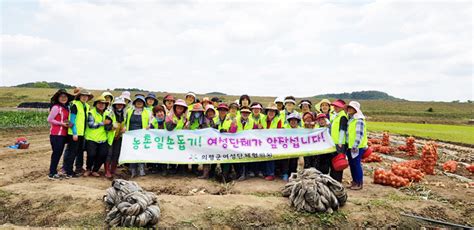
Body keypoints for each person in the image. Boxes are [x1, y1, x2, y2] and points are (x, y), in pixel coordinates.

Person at [63, 88, 93, 177]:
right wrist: (75, 133)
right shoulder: (75, 105)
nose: (84, 97)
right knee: (72, 152)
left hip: (82, 133)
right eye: (82, 96)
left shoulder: (86, 106)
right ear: (79, 96)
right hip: (74, 133)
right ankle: (69, 171)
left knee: (80, 152)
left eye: (86, 96)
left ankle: (78, 169)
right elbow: (71, 121)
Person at [47, 89, 74, 180]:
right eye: (61, 96)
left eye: (65, 97)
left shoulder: (66, 108)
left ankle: (54, 171)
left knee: (59, 153)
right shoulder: (56, 107)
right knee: (56, 153)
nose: (63, 98)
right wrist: (62, 124)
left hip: (63, 134)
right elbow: (50, 119)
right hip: (56, 134)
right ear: (58, 98)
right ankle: (52, 173)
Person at [84, 96, 113, 177]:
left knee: (102, 155)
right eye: (99, 103)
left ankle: (95, 170)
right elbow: (91, 125)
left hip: (103, 138)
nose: (101, 105)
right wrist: (103, 123)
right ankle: (88, 169)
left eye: (103, 104)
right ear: (96, 104)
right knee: (91, 154)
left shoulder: (107, 113)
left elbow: (109, 124)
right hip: (91, 138)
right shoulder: (91, 113)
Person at [125, 95, 153, 177]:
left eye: (141, 101)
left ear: (144, 103)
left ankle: (141, 169)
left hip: (142, 135)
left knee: (141, 151)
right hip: (131, 134)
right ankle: (133, 170)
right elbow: (125, 121)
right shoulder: (129, 111)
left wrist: (149, 126)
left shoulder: (147, 112)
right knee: (132, 152)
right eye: (137, 101)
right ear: (134, 102)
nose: (139, 103)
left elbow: (151, 121)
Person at [345, 101, 367, 190]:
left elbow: (359, 134)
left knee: (356, 164)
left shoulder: (359, 120)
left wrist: (355, 145)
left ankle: (359, 183)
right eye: (349, 108)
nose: (349, 109)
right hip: (350, 146)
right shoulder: (351, 119)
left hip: (357, 146)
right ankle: (354, 181)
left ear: (356, 110)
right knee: (352, 164)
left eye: (351, 108)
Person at [229, 106, 255, 181]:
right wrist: (234, 126)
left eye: (247, 113)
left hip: (248, 144)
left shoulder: (252, 121)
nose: (245, 114)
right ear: (241, 113)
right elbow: (231, 132)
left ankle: (244, 174)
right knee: (237, 160)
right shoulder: (235, 120)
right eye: (243, 112)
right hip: (236, 144)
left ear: (249, 114)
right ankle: (239, 173)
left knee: (245, 160)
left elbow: (256, 131)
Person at [104, 97, 127, 179]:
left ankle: (113, 170)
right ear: (115, 105)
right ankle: (107, 171)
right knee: (109, 154)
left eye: (121, 104)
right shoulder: (110, 113)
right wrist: (112, 127)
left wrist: (125, 128)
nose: (120, 106)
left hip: (119, 137)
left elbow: (125, 124)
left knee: (116, 153)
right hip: (110, 137)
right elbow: (106, 126)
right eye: (118, 104)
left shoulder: (124, 114)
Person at [165, 99, 188, 174]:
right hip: (171, 138)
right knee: (172, 152)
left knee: (181, 152)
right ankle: (172, 167)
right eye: (178, 107)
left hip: (181, 139)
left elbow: (185, 127)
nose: (180, 109)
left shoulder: (185, 118)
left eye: (182, 107)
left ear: (184, 109)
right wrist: (173, 124)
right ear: (175, 107)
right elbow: (168, 128)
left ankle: (181, 168)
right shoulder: (169, 116)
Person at [328, 99, 348, 183]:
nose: (335, 107)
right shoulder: (336, 116)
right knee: (334, 161)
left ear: (342, 108)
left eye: (338, 106)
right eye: (335, 106)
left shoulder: (343, 116)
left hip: (340, 144)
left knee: (339, 161)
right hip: (334, 142)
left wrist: (340, 142)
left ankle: (337, 180)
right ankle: (333, 179)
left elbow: (342, 130)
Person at [262, 103, 283, 181]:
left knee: (270, 157)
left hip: (273, 142)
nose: (271, 113)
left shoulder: (278, 120)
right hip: (263, 141)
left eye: (273, 111)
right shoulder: (262, 119)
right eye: (269, 111)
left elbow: (279, 131)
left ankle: (271, 174)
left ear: (275, 113)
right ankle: (264, 172)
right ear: (267, 111)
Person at [282, 112, 302, 181]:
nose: (293, 122)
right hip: (285, 148)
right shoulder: (284, 128)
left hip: (296, 149)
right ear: (289, 121)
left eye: (295, 120)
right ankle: (285, 173)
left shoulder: (301, 130)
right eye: (291, 120)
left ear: (297, 122)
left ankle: (292, 173)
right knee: (285, 160)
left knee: (294, 161)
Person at [148, 105, 167, 174]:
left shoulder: (168, 120)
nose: (159, 114)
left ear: (164, 112)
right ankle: (155, 168)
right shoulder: (153, 122)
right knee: (155, 154)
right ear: (155, 114)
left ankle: (164, 169)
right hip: (156, 142)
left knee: (164, 155)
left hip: (165, 141)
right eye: (157, 112)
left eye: (161, 111)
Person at [199, 105, 217, 179]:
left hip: (212, 143)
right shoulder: (202, 121)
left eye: (212, 111)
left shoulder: (213, 121)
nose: (210, 113)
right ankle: (205, 174)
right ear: (206, 113)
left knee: (213, 158)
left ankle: (211, 173)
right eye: (208, 111)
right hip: (204, 143)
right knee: (206, 158)